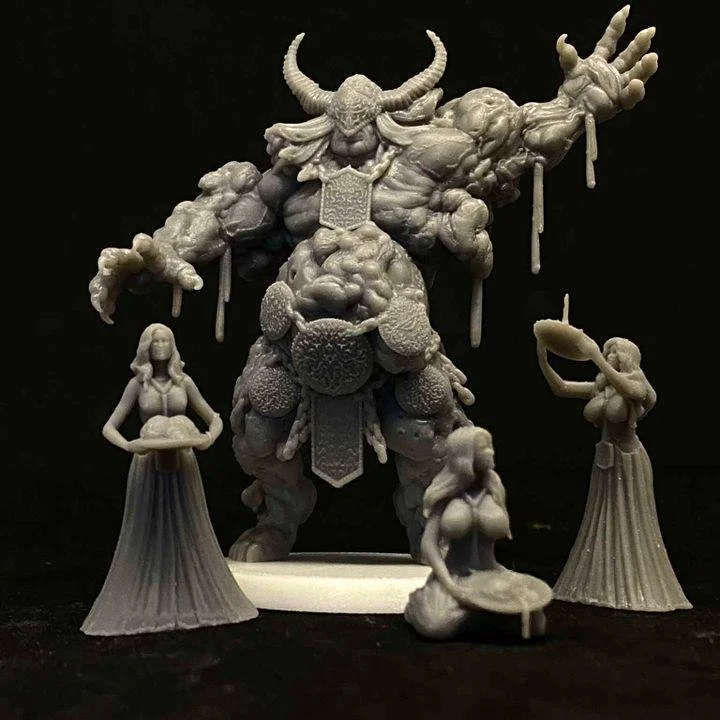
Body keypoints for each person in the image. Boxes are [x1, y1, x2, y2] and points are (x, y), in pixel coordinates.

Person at [81, 323, 257, 635]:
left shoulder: (184, 382)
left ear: (172, 345)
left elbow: (214, 418)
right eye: (155, 340)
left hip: (184, 463)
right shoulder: (138, 385)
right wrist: (129, 446)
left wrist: (207, 439)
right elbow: (109, 427)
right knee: (148, 527)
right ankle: (151, 595)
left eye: (165, 340)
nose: (160, 345)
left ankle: (188, 594)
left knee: (187, 522)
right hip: (148, 463)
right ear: (146, 347)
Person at [536, 329, 692, 611]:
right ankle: (603, 582)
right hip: (605, 462)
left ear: (628, 357)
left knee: (630, 520)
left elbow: (632, 392)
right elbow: (561, 387)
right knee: (602, 519)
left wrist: (595, 356)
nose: (608, 356)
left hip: (629, 463)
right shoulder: (603, 387)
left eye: (614, 351)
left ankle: (633, 584)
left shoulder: (637, 383)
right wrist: (543, 356)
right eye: (607, 352)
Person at [404, 426, 551, 640]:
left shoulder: (494, 490)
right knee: (436, 626)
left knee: (535, 625)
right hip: (455, 576)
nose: (491, 452)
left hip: (492, 576)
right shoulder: (446, 494)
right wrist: (449, 584)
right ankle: (474, 616)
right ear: (465, 456)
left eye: (490, 446)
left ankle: (482, 617)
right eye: (484, 448)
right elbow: (429, 544)